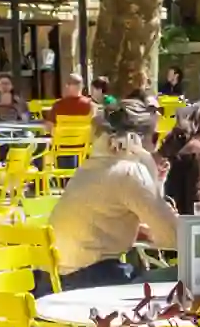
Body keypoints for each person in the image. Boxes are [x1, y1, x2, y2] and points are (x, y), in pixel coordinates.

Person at [45, 101, 179, 293]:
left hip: (55, 282)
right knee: (192, 275)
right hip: (93, 284)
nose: (156, 146)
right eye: (156, 137)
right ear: (137, 140)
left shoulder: (90, 166)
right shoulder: (130, 171)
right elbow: (172, 237)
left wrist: (155, 181)